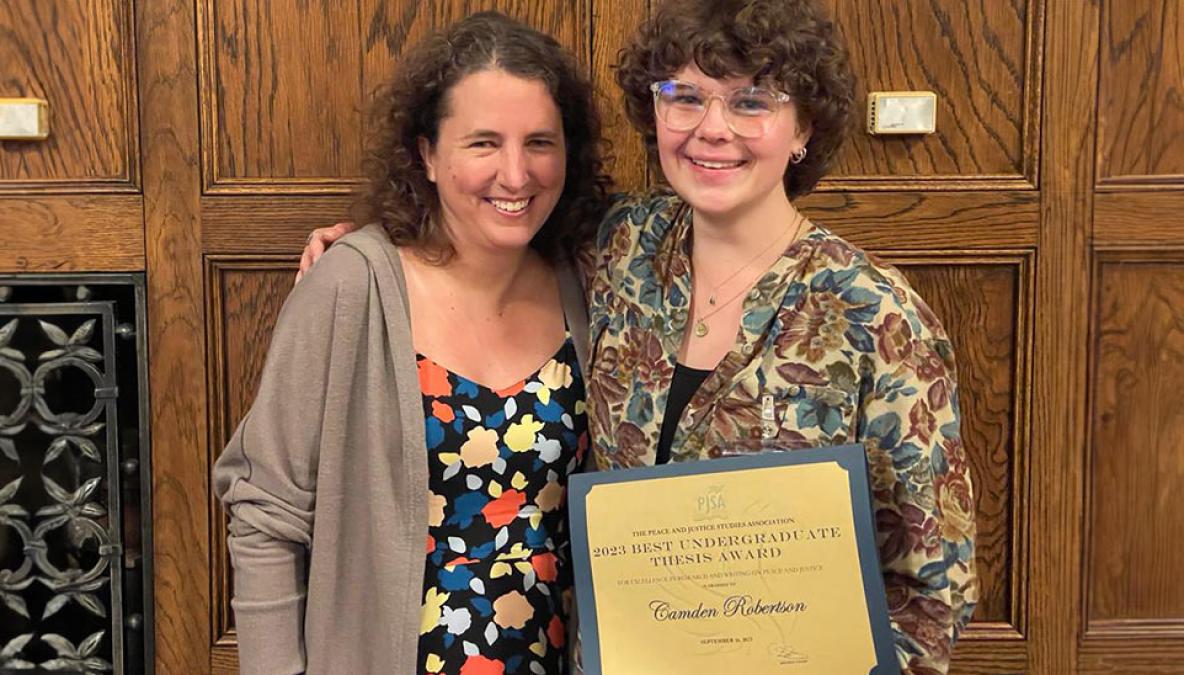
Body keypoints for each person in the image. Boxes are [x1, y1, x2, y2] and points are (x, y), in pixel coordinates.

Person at [299, 2, 978, 672]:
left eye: (751, 102)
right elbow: (494, 207)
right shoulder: (620, 244)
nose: (713, 130)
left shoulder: (878, 318)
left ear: (803, 126)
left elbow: (930, 590)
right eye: (685, 98)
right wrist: (369, 252)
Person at [214, 12, 609, 675]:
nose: (516, 174)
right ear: (426, 153)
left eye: (539, 142)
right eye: (483, 143)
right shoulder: (353, 286)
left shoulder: (589, 284)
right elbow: (265, 513)